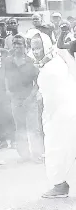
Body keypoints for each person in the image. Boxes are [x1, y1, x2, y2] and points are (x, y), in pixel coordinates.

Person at [35, 40, 76, 198]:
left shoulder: (53, 67)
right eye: (33, 47)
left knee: (56, 149)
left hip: (63, 115)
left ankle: (59, 186)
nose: (36, 51)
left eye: (38, 47)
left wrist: (48, 118)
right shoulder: (58, 62)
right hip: (67, 112)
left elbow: (52, 98)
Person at [5, 34, 44, 163]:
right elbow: (5, 78)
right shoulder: (8, 61)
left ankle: (37, 154)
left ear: (24, 46)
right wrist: (7, 91)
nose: (16, 46)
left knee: (33, 128)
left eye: (19, 43)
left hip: (29, 98)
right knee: (20, 126)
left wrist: (30, 97)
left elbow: (38, 82)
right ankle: (24, 154)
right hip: (15, 98)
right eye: (15, 43)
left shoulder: (30, 61)